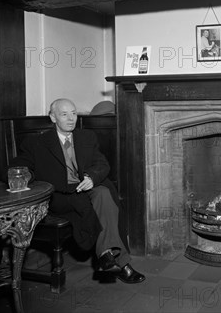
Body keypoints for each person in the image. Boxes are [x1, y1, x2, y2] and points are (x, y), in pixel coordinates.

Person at [10, 98, 145, 284]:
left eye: (73, 113)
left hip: (85, 187)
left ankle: (107, 255)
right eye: (64, 114)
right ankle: (118, 261)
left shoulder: (86, 137)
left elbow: (102, 164)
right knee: (95, 206)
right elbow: (20, 167)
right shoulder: (37, 143)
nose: (71, 118)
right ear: (53, 117)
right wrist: (24, 177)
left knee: (104, 193)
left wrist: (91, 177)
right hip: (61, 195)